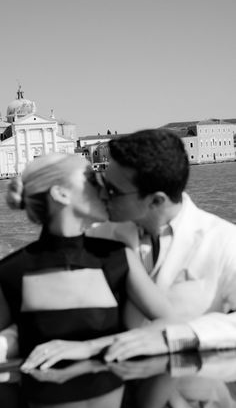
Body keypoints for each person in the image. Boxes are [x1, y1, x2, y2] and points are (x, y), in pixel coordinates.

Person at [0, 152, 185, 370]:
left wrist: (90, 347)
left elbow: (172, 323)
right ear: (61, 194)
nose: (105, 190)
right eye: (91, 179)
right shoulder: (10, 271)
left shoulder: (118, 257)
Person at [85, 128, 236, 361]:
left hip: (195, 383)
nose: (102, 195)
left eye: (113, 191)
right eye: (103, 183)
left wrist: (176, 337)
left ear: (157, 200)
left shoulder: (224, 240)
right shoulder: (96, 236)